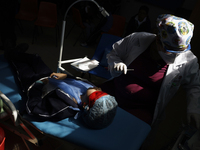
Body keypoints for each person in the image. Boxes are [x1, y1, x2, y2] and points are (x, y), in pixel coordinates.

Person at [99, 14, 200, 130]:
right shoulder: (137, 39)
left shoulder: (188, 60)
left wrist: (194, 109)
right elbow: (114, 53)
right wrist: (115, 63)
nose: (175, 55)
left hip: (141, 109)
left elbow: (194, 85)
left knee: (123, 132)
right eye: (169, 51)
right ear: (158, 38)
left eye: (178, 52)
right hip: (113, 91)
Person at [6, 52, 118, 129]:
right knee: (35, 59)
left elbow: (33, 108)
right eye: (103, 92)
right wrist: (65, 76)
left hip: (35, 84)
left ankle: (9, 53)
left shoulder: (63, 107)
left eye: (98, 93)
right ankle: (18, 53)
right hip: (52, 78)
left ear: (87, 105)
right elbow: (78, 81)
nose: (99, 88)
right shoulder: (89, 88)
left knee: (22, 66)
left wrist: (38, 85)